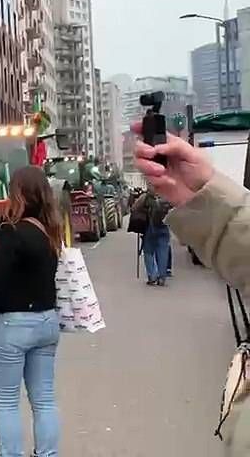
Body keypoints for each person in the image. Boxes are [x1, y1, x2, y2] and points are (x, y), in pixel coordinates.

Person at [135, 134, 250, 455]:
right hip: (173, 224)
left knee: (153, 252)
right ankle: (161, 274)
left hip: (157, 229)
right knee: (160, 252)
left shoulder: (148, 198)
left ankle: (157, 274)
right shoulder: (168, 197)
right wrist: (210, 199)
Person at [0, 166, 64, 457]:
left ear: (17, 193)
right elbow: (10, 240)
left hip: (13, 327)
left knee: (7, 402)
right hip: (47, 322)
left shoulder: (14, 233)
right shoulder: (49, 232)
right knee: (44, 400)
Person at [131, 185, 172, 286]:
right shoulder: (167, 196)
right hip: (164, 227)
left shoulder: (145, 197)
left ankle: (152, 275)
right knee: (163, 251)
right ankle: (162, 277)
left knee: (148, 251)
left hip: (150, 228)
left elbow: (134, 208)